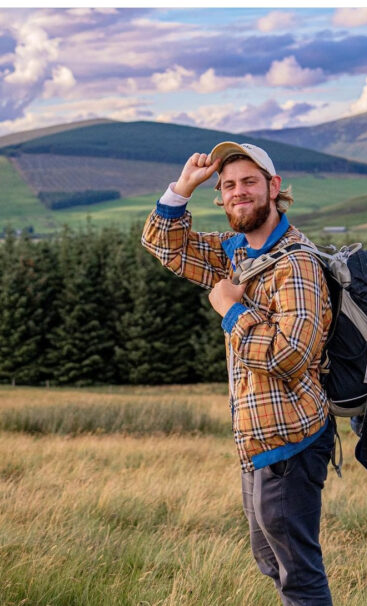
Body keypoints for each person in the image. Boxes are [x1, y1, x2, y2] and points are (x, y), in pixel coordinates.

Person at [141, 141, 335, 605]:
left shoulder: (297, 263)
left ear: (274, 187)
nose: (237, 193)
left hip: (290, 438)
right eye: (228, 186)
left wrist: (230, 310)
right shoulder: (237, 253)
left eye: (249, 182)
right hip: (256, 438)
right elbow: (166, 247)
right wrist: (184, 187)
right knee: (271, 560)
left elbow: (291, 355)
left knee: (298, 575)